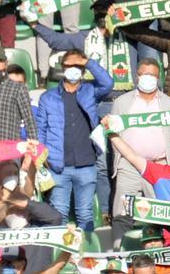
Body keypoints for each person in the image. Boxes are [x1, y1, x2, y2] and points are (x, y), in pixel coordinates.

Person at [35, 51, 113, 232]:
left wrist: (87, 61)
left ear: (84, 69)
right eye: (69, 65)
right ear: (63, 68)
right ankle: (59, 257)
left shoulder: (90, 91)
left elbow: (108, 83)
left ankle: (85, 256)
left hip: (86, 163)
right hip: (57, 166)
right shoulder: (48, 97)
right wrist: (44, 157)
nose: (73, 70)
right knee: (58, 214)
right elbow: (40, 129)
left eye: (78, 66)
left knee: (85, 214)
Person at [108, 59, 170, 247]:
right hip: (128, 166)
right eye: (143, 74)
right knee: (122, 214)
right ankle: (120, 255)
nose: (146, 79)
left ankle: (161, 255)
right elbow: (113, 132)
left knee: (161, 213)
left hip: (159, 166)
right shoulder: (121, 102)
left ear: (158, 78)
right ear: (136, 76)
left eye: (151, 75)